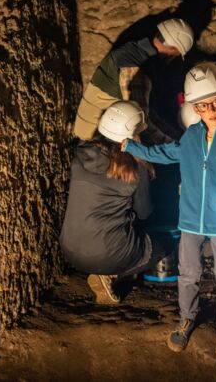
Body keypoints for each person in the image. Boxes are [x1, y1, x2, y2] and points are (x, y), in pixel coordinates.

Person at [121, 63, 216, 358]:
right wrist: (132, 148)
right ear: (195, 108)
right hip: (190, 219)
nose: (211, 110)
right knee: (188, 273)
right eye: (203, 105)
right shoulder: (191, 138)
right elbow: (163, 153)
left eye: (215, 102)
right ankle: (186, 319)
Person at [60, 101, 170, 304]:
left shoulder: (81, 153)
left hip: (69, 251)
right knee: (163, 247)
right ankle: (112, 274)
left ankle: (105, 267)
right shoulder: (135, 167)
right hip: (108, 254)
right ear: (133, 134)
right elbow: (144, 212)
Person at [73, 18, 194, 142]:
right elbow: (141, 122)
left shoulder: (133, 49)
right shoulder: (136, 67)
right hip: (95, 138)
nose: (173, 58)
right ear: (173, 49)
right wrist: (178, 144)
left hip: (94, 132)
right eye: (176, 54)